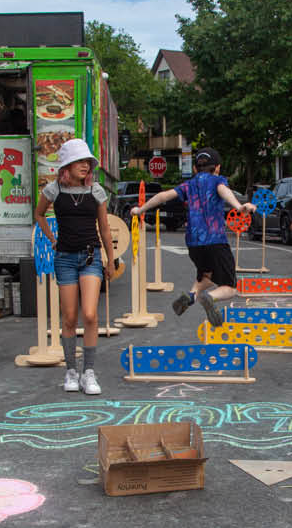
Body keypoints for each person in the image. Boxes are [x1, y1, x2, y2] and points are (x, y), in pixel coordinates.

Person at [133, 148, 254, 327]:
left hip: (193, 243)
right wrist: (239, 206)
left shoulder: (188, 185)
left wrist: (140, 209)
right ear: (218, 168)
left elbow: (163, 196)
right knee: (230, 288)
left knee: (208, 275)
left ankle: (191, 295)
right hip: (215, 240)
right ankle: (210, 297)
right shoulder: (217, 181)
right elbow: (224, 191)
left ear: (196, 169)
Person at [34, 139, 117, 395]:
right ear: (66, 166)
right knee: (69, 317)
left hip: (91, 257)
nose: (85, 166)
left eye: (87, 162)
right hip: (65, 258)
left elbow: (104, 228)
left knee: (90, 314)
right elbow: (38, 214)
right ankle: (71, 371)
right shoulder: (53, 190)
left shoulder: (97, 192)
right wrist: (52, 239)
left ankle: (88, 372)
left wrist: (111, 259)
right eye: (79, 162)